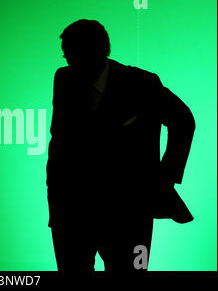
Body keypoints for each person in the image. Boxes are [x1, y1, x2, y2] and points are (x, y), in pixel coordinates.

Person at [46, 19, 195, 274]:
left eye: (73, 54)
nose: (68, 61)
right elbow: (61, 142)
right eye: (67, 54)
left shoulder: (142, 83)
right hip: (71, 212)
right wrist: (56, 202)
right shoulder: (64, 79)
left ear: (101, 51)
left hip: (129, 212)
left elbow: (183, 120)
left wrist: (166, 177)